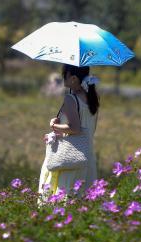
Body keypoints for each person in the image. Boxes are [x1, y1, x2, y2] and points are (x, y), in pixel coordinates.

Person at [38, 65, 99, 200]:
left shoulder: (71, 99)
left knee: (62, 201)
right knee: (85, 200)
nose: (63, 77)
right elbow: (90, 128)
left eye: (65, 74)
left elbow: (75, 128)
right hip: (87, 156)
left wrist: (54, 125)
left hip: (70, 157)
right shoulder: (93, 98)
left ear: (73, 78)